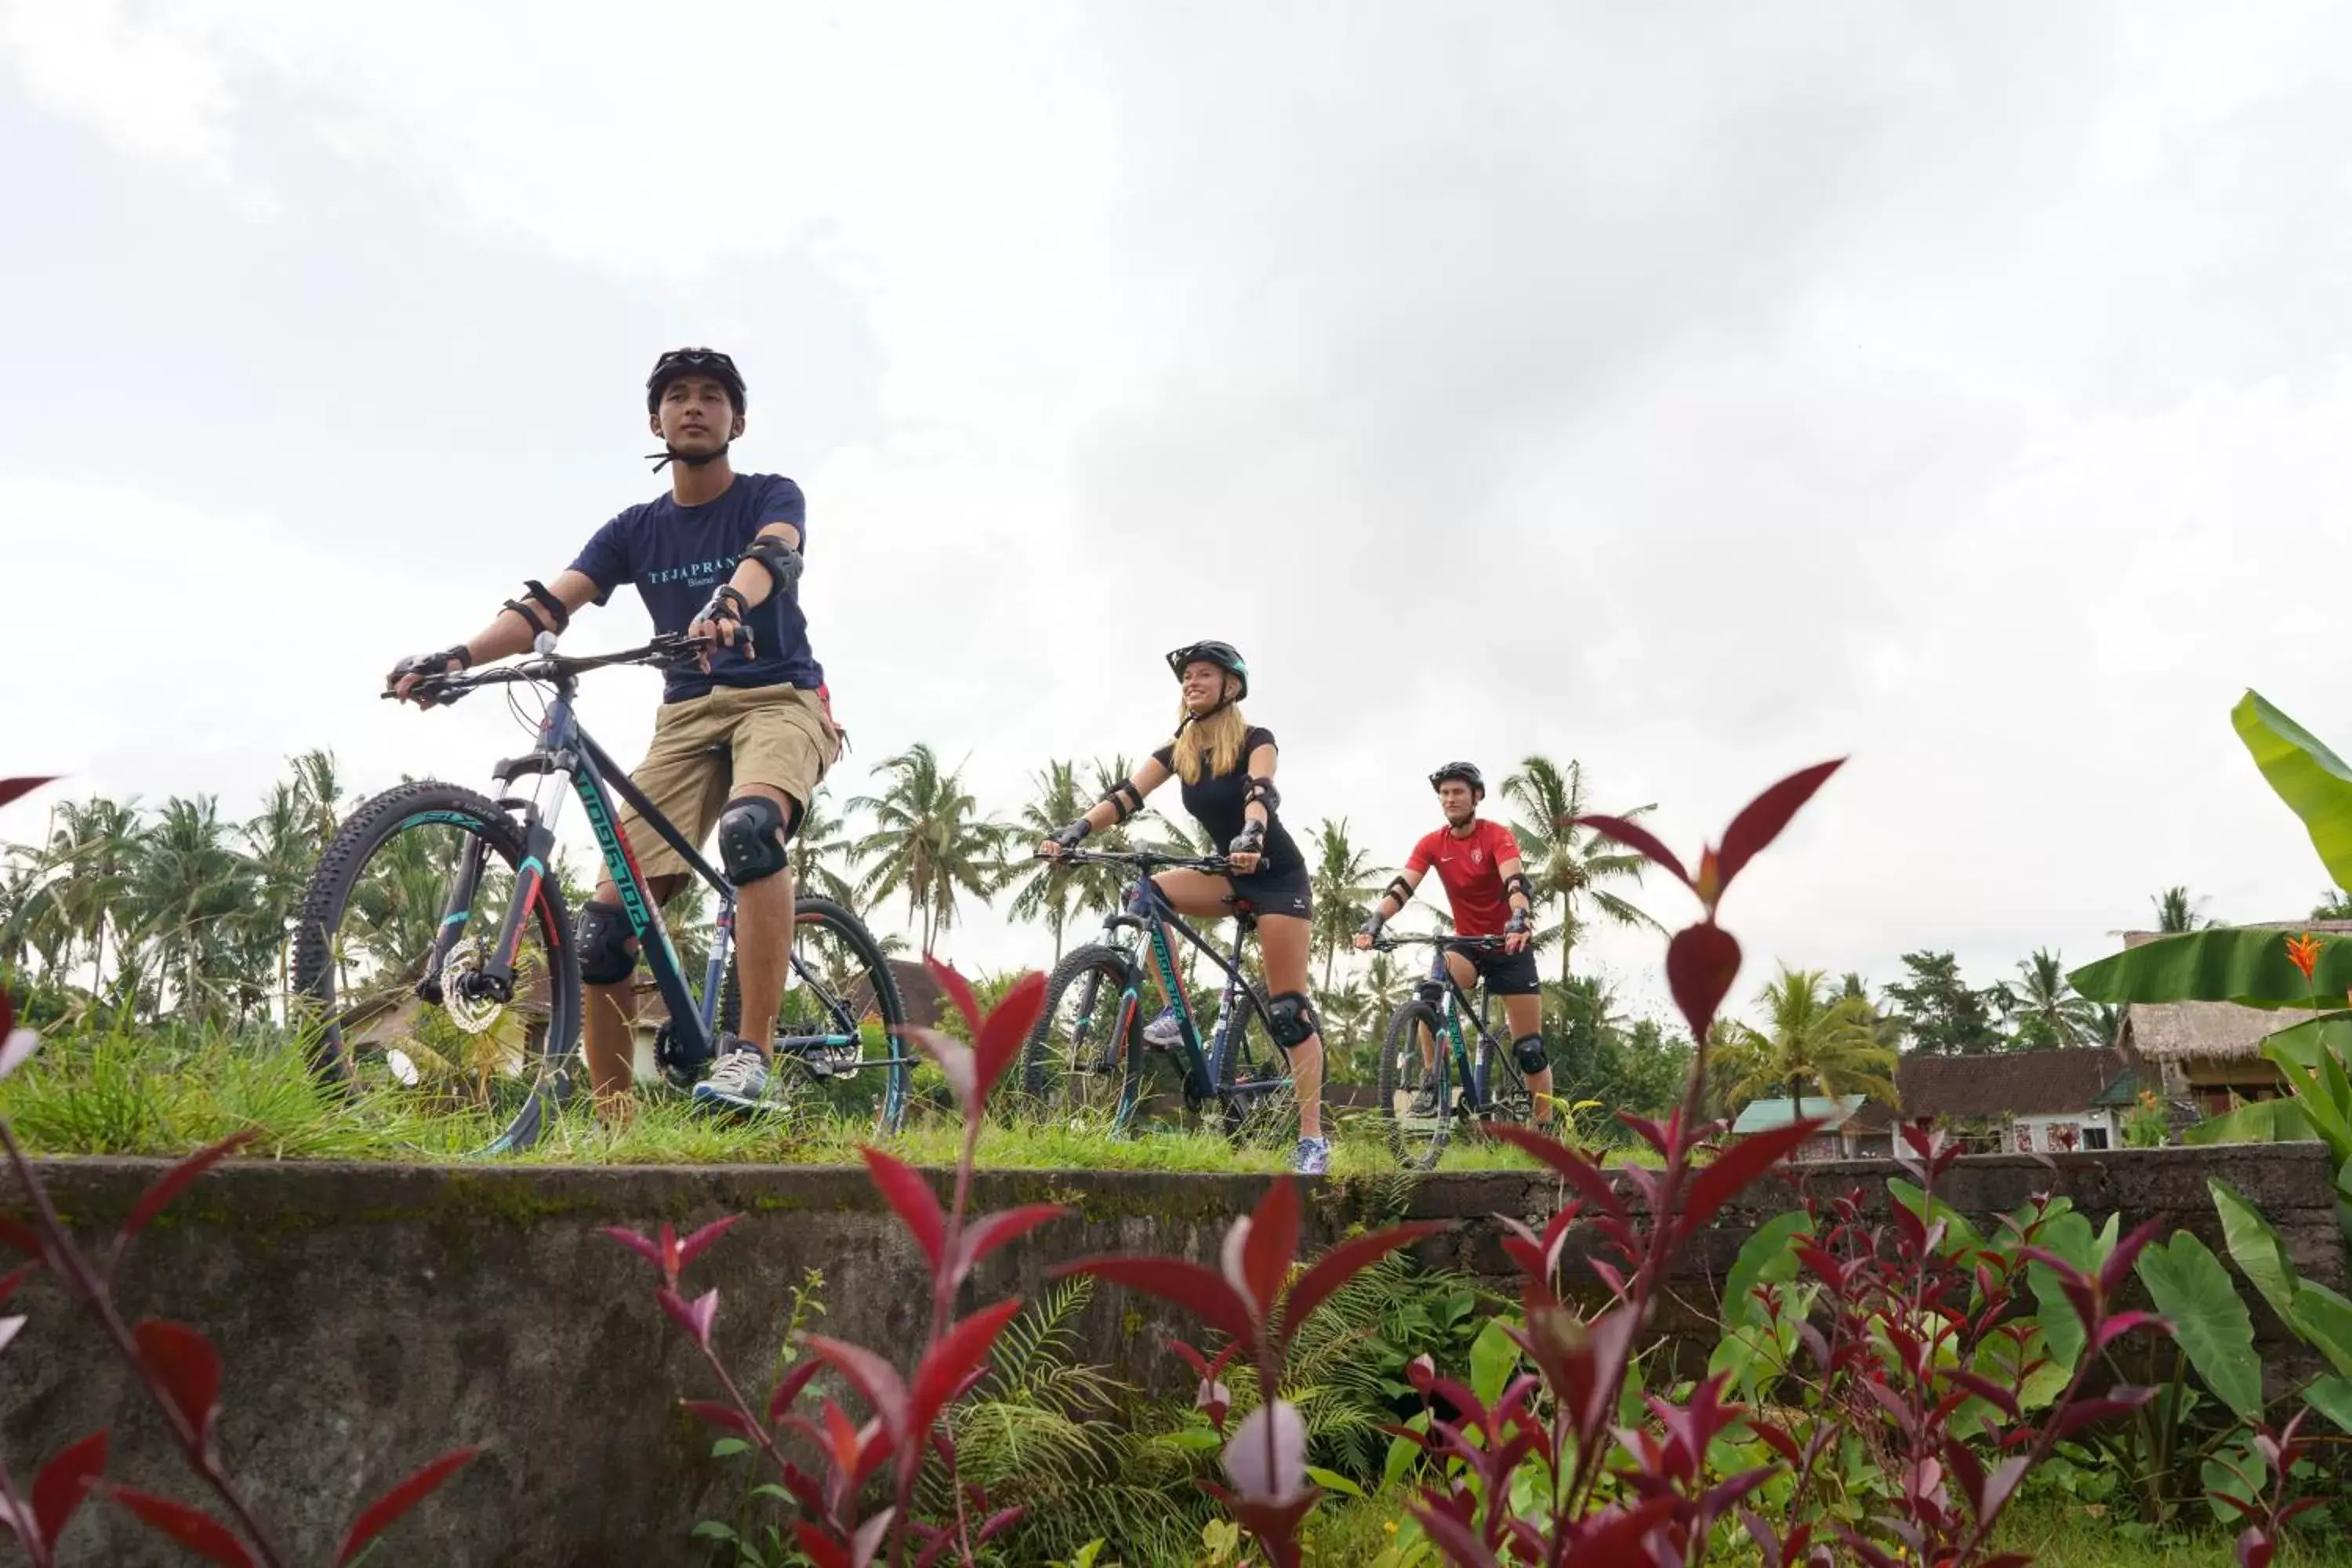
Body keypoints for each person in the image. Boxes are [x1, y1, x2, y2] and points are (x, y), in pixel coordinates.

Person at [387, 347, 840, 1118]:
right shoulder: (636, 530)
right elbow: (545, 608)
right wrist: (457, 658)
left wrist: (731, 600)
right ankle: (613, 1126)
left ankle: (751, 1052)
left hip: (778, 697)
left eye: (711, 396)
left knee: (751, 830)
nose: (693, 407)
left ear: (739, 419)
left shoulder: (770, 492)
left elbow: (775, 551)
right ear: (655, 419)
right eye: (676, 396)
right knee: (602, 930)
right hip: (685, 717)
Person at [1035, 642, 1334, 1174]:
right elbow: (1128, 794)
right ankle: (1177, 1013)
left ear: (1231, 686)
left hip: (1274, 875)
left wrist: (1252, 834)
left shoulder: (1255, 739)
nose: (1191, 682)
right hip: (1226, 870)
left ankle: (1312, 1139)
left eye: (1203, 675)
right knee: (1145, 894)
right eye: (1187, 677)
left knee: (1289, 1013)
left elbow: (1262, 791)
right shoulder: (1182, 746)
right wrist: (1075, 830)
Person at [1353, 761, 1554, 1129]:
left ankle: (1547, 1133)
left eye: (1458, 792)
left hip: (1510, 946)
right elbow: (1402, 887)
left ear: (1476, 796)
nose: (1450, 799)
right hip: (1469, 946)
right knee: (1432, 988)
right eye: (1444, 793)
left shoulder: (1497, 836)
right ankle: (1432, 1083)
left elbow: (1515, 883)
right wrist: (1376, 919)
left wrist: (1519, 918)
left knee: (1530, 1050)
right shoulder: (1432, 844)